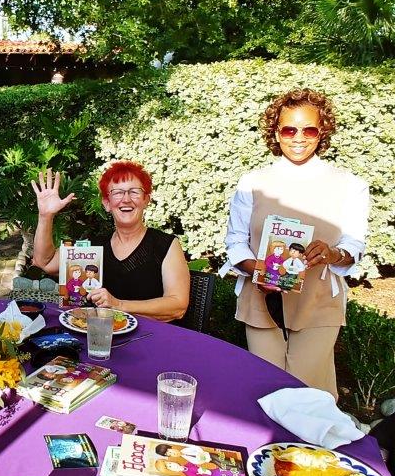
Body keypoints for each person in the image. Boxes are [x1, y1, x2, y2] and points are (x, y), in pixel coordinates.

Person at [223, 88, 369, 398]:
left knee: (307, 394)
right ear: (276, 132)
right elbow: (235, 242)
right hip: (262, 299)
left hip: (317, 303)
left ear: (322, 132)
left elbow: (354, 245)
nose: (298, 137)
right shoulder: (252, 182)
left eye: (309, 129)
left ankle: (311, 446)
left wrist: (332, 253)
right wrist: (259, 271)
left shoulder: (350, 186)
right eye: (289, 129)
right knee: (266, 391)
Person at [31, 162, 190, 322]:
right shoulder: (93, 247)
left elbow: (178, 306)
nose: (126, 199)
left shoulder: (166, 245)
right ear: (107, 203)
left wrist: (119, 305)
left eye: (134, 192)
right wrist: (45, 215)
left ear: (146, 200)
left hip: (152, 339)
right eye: (118, 193)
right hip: (100, 337)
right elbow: (45, 262)